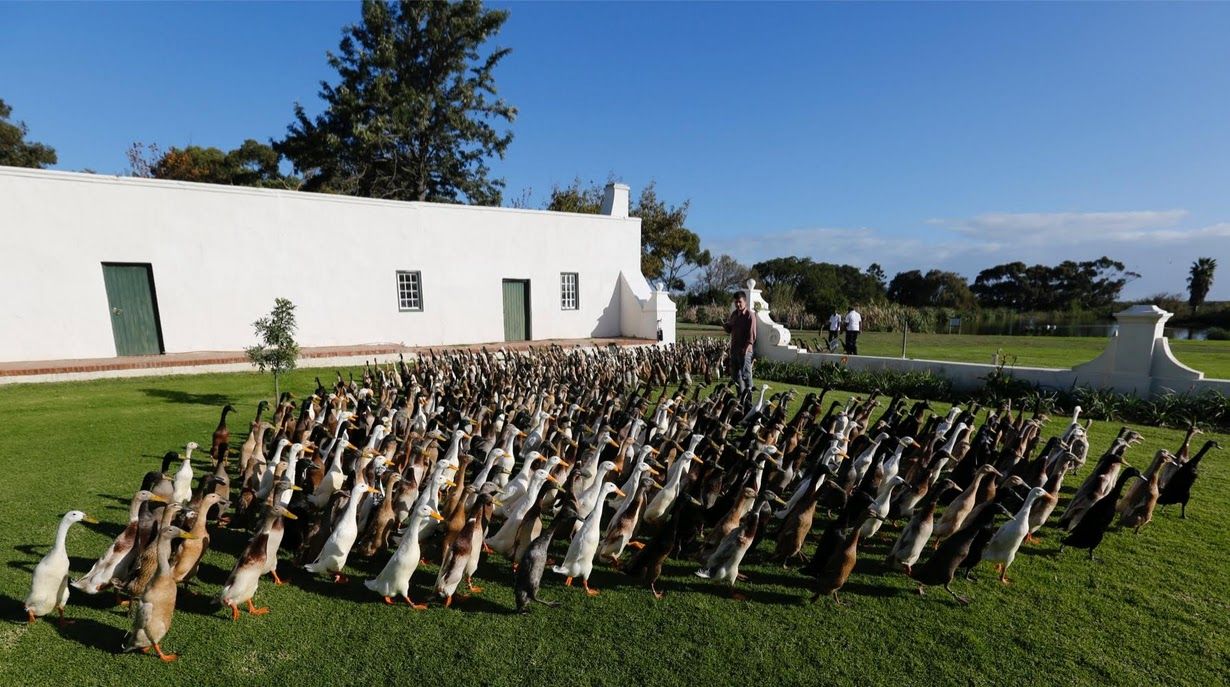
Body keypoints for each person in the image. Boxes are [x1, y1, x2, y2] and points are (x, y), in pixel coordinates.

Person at [723, 290, 757, 398]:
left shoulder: (749, 316)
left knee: (746, 375)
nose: (737, 304)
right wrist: (725, 326)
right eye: (736, 302)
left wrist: (746, 348)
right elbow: (730, 329)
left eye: (740, 302)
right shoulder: (734, 314)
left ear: (745, 302)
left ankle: (749, 399)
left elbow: (752, 335)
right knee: (735, 376)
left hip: (745, 351)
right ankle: (741, 396)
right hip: (734, 350)